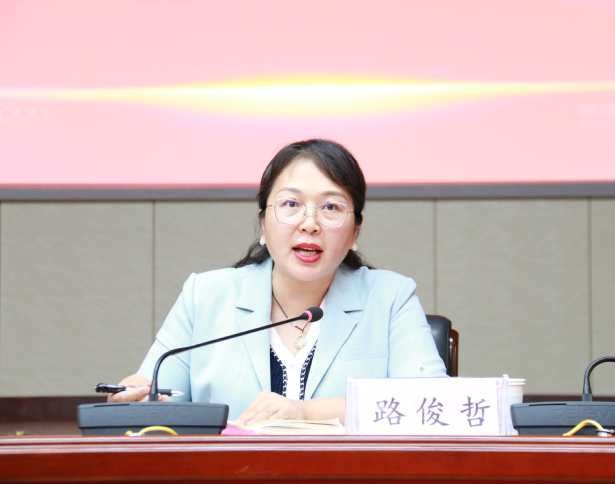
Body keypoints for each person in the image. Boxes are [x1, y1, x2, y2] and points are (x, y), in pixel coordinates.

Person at [109, 139, 447, 424]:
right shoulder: (206, 296)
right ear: (263, 222)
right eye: (291, 204)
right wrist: (134, 403)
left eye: (331, 207)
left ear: (355, 231)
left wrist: (305, 412)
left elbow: (432, 403)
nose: (310, 223)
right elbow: (156, 406)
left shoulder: (390, 297)